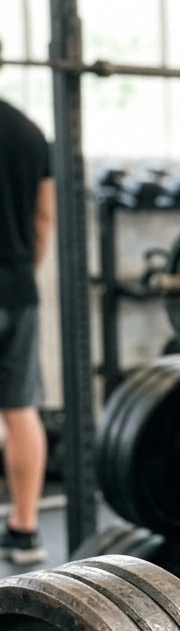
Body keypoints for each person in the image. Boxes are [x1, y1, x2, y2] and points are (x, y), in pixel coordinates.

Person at [0, 97, 53, 565]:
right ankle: (24, 528)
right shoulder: (29, 132)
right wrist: (24, 271)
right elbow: (44, 218)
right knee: (20, 409)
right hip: (17, 288)